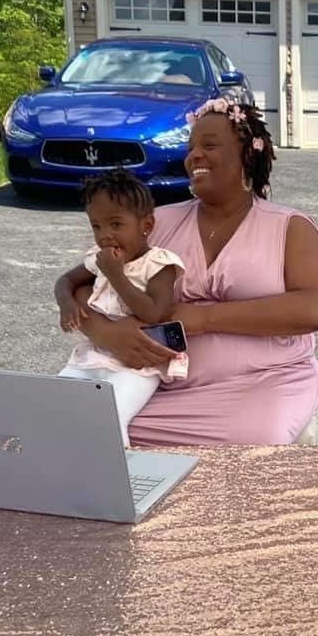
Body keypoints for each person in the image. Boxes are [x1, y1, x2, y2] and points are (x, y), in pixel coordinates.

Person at [70, 97, 318, 445]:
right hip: (157, 386)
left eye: (209, 146)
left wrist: (203, 318)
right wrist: (106, 332)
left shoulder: (290, 227)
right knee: (87, 426)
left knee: (250, 443)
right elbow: (87, 283)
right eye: (190, 148)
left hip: (264, 384)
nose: (194, 156)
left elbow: (314, 309)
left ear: (247, 156)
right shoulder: (158, 222)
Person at [55, 169, 187, 446]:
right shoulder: (98, 258)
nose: (105, 236)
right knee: (54, 403)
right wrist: (66, 303)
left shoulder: (159, 264)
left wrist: (116, 274)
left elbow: (153, 313)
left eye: (116, 224)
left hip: (137, 367)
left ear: (146, 226)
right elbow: (65, 281)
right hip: (95, 355)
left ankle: (122, 467)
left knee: (111, 417)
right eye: (96, 226)